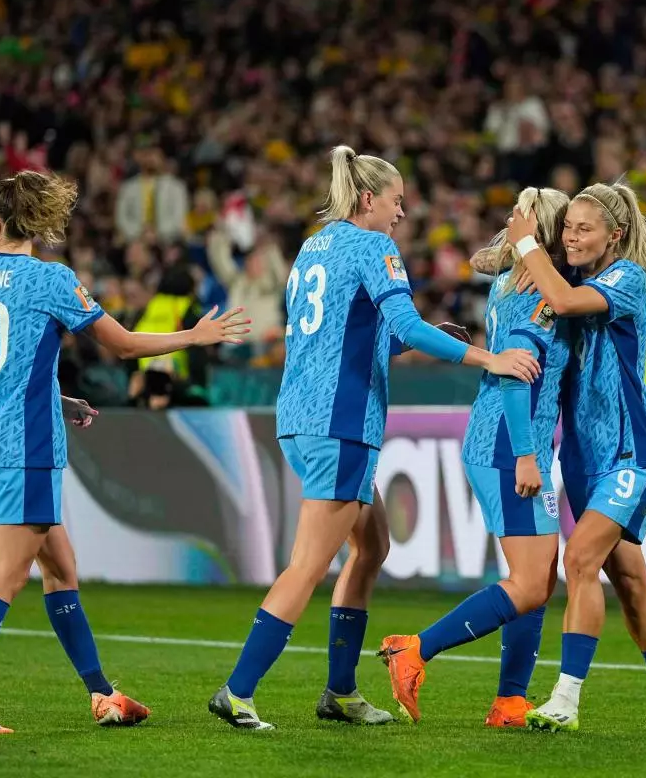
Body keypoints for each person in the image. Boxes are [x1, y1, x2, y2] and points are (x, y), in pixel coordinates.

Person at [208, 145, 541, 731]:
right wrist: (485, 357)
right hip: (341, 425)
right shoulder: (372, 245)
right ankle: (237, 691)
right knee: (308, 565)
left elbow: (358, 341)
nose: (401, 215)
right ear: (368, 199)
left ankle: (340, 691)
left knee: (372, 548)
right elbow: (403, 323)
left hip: (302, 415)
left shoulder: (314, 248)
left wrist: (421, 339)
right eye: (397, 201)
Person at [0, 170, 250, 735]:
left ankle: (102, 694)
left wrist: (57, 399)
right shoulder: (51, 279)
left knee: (60, 569)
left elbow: (1, 370)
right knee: (7, 574)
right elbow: (122, 344)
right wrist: (193, 338)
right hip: (26, 447)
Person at [505, 180, 646, 732]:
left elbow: (564, 303)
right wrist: (512, 251)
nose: (570, 237)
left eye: (583, 229)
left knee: (579, 561)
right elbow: (504, 270)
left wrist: (527, 246)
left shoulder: (629, 280)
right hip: (583, 459)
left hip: (628, 452)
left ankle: (566, 700)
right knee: (632, 584)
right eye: (566, 228)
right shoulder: (568, 275)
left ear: (615, 235)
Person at [378, 187, 571, 727]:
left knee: (538, 577)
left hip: (508, 440)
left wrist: (513, 250)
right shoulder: (541, 294)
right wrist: (528, 456)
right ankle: (414, 651)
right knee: (532, 583)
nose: (509, 218)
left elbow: (486, 258)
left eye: (519, 212)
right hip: (512, 443)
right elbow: (516, 373)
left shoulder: (524, 277)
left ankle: (510, 700)